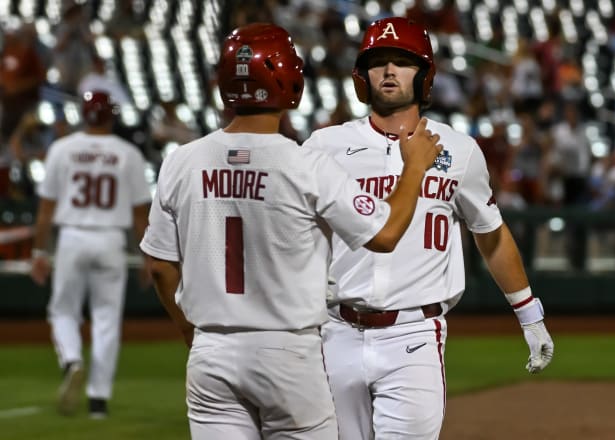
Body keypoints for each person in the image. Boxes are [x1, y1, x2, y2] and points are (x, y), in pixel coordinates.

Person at [139, 23, 442, 440]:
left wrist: (192, 332)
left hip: (211, 350)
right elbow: (386, 233)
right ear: (289, 80)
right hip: (287, 352)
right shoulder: (306, 164)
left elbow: (159, 266)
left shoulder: (181, 161)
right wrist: (414, 168)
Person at [302, 17, 555, 439]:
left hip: (414, 335)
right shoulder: (324, 146)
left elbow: (489, 233)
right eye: (378, 61)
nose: (388, 71)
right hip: (335, 330)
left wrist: (530, 315)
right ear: (361, 77)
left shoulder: (458, 150)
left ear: (425, 76)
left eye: (402, 61)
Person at [30, 90, 151, 419]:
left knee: (63, 311)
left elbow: (45, 210)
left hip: (71, 236)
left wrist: (40, 250)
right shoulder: (129, 153)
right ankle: (98, 401)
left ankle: (71, 359)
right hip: (111, 239)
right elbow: (141, 215)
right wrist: (147, 257)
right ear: (112, 115)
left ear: (83, 114)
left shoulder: (62, 149)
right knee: (106, 321)